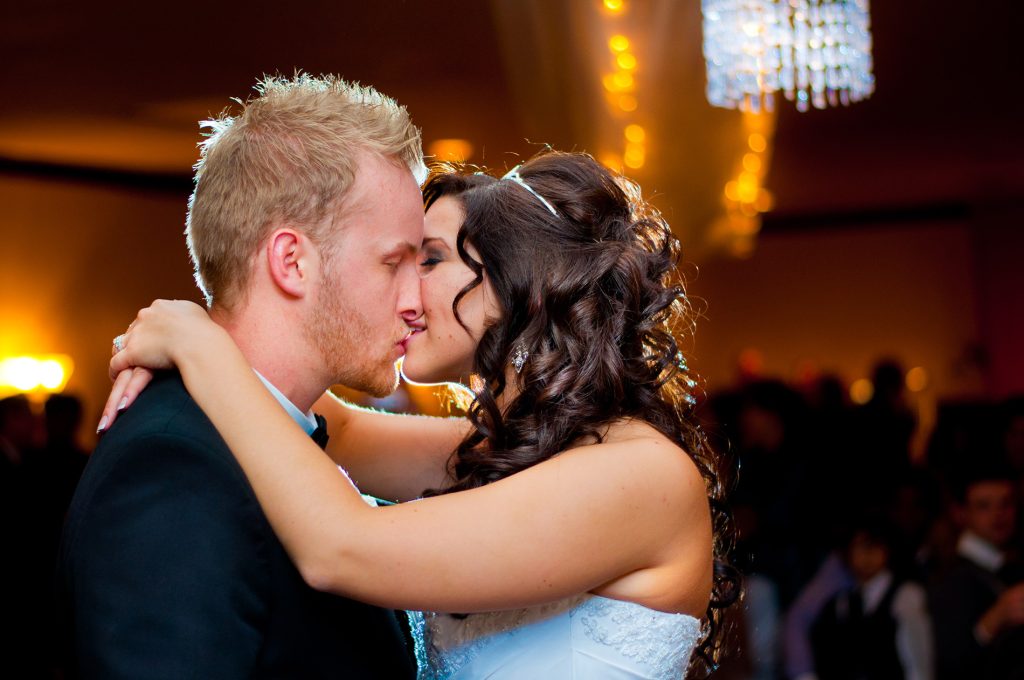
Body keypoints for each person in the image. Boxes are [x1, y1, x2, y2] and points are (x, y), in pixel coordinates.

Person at [105, 152, 738, 678]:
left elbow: (340, 546)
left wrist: (199, 346)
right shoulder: (516, 449)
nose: (405, 291)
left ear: (521, 277)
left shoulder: (640, 475)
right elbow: (339, 429)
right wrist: (221, 323)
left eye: (429, 259)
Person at [58, 74, 427, 678]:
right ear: (292, 261)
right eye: (393, 262)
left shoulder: (279, 431)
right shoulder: (176, 467)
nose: (417, 301)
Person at [928, 466, 1024, 680]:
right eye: (984, 506)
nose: (998, 514)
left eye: (1006, 503)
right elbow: (949, 663)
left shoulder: (1009, 566)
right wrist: (995, 619)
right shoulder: (950, 576)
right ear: (960, 513)